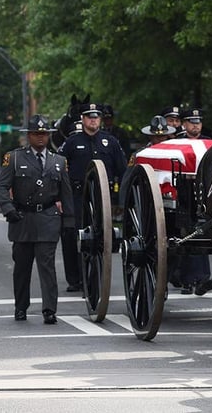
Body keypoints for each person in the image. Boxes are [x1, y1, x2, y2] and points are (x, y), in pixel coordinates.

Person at [0, 115, 74, 324]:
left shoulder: (59, 161)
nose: (41, 138)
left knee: (47, 267)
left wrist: (68, 222)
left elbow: (66, 194)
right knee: (22, 267)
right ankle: (21, 307)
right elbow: (2, 186)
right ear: (28, 136)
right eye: (36, 134)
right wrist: (8, 209)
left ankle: (49, 309)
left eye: (44, 134)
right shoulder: (14, 158)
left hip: (48, 218)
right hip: (22, 219)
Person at [58, 103, 128, 292]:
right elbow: (58, 169)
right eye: (89, 117)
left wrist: (121, 199)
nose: (93, 120)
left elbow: (123, 171)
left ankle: (94, 278)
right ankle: (75, 279)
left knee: (100, 238)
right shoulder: (72, 142)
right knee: (73, 236)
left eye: (96, 117)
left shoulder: (110, 142)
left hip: (103, 197)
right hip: (77, 196)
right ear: (83, 119)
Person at [175, 108, 212, 295]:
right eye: (191, 122)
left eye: (198, 122)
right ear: (184, 124)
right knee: (188, 232)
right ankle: (188, 279)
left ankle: (200, 279)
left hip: (205, 192)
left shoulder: (210, 143)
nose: (195, 125)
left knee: (200, 232)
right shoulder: (176, 143)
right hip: (184, 192)